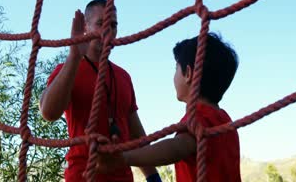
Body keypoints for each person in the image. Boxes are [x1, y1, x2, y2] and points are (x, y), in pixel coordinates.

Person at [40, 0, 160, 182]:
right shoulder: (67, 69)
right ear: (85, 27)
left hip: (123, 177)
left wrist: (153, 176)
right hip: (82, 176)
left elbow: (136, 133)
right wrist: (74, 56)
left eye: (113, 25)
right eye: (100, 23)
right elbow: (48, 112)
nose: (108, 30)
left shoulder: (123, 76)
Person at [96, 33, 241, 182]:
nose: (174, 75)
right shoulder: (226, 123)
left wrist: (125, 158)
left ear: (188, 74)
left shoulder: (199, 118)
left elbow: (177, 147)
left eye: (176, 68)